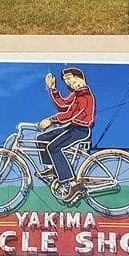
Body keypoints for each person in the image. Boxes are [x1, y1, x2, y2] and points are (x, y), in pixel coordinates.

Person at [36, 68, 95, 203]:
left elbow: (71, 114)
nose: (68, 83)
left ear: (80, 77)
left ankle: (74, 185)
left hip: (81, 130)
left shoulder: (86, 96)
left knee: (54, 148)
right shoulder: (77, 94)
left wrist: (51, 120)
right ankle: (52, 169)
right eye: (66, 80)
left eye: (70, 78)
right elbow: (63, 105)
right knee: (42, 138)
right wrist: (53, 89)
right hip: (72, 127)